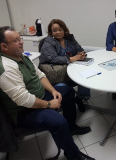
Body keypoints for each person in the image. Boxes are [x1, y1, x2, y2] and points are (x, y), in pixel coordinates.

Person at [0, 26, 95, 160]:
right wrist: (49, 104)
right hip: (24, 110)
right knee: (58, 121)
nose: (21, 42)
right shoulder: (6, 68)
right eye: (15, 41)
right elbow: (23, 100)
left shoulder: (20, 56)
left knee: (67, 92)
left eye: (19, 38)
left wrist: (53, 90)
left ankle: (72, 128)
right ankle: (73, 155)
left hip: (39, 96)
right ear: (4, 46)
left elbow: (39, 75)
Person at [39, 19, 91, 112]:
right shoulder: (48, 41)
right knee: (63, 87)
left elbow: (79, 48)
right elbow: (53, 58)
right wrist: (72, 58)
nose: (58, 32)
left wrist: (81, 54)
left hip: (71, 70)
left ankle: (80, 98)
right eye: (55, 31)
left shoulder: (70, 38)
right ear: (51, 32)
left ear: (64, 29)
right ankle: (69, 107)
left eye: (60, 29)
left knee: (85, 76)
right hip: (56, 74)